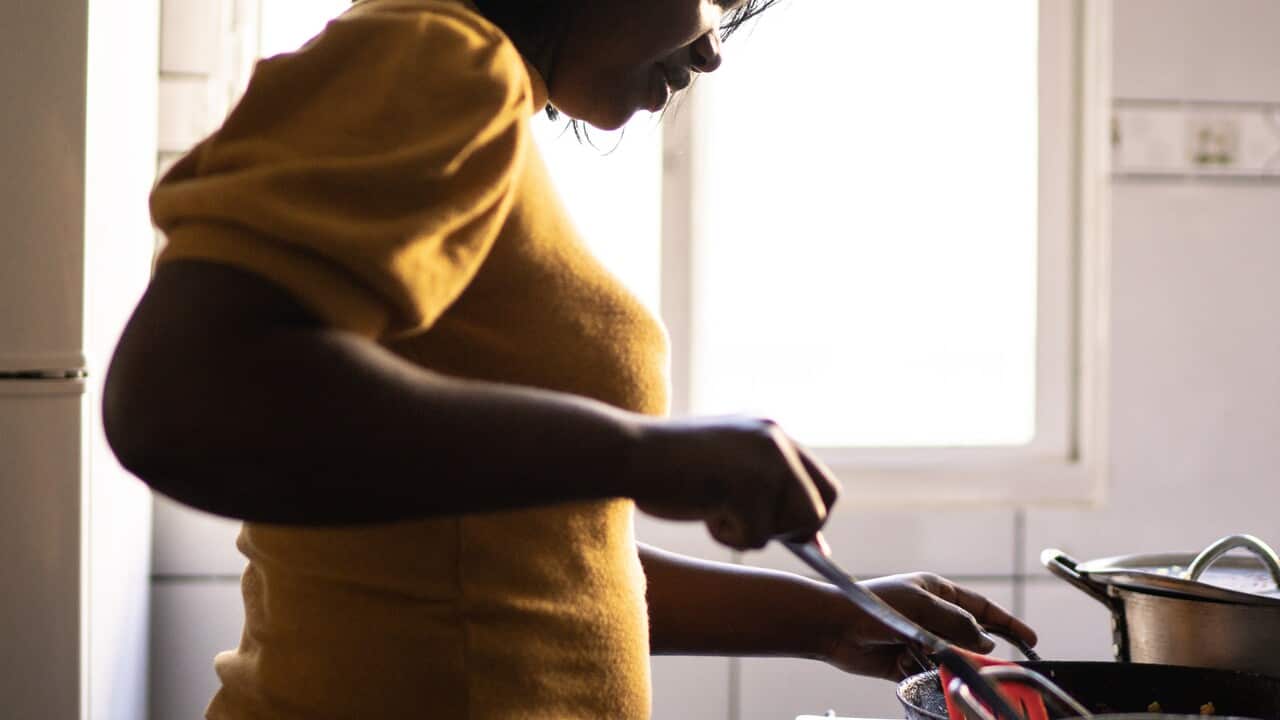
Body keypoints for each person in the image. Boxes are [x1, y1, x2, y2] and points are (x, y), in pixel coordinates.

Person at [104, 0, 1038, 717]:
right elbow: (181, 391)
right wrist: (644, 452)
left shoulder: (473, 97)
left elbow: (531, 562)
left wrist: (832, 616)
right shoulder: (435, 53)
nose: (715, 46)